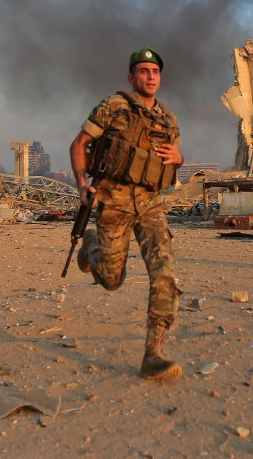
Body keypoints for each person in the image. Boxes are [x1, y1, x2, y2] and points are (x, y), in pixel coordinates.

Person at [69, 48, 184, 381]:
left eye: (155, 71)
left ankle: (154, 354)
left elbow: (171, 167)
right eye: (143, 71)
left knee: (164, 274)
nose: (150, 76)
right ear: (131, 78)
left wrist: (179, 156)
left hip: (150, 204)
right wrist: (80, 184)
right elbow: (79, 144)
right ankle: (91, 247)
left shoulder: (169, 120)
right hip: (114, 201)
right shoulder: (113, 108)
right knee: (111, 280)